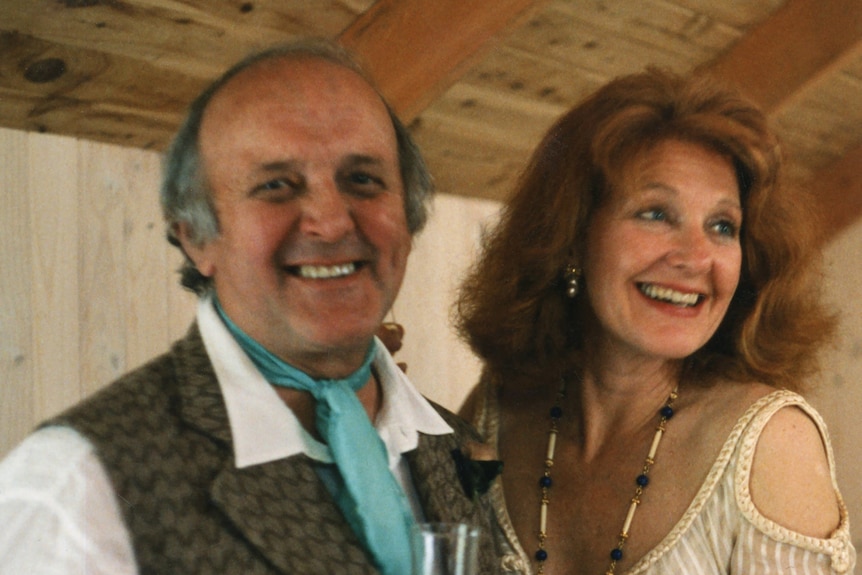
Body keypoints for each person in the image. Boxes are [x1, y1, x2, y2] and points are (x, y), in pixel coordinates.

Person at [0, 40, 499, 574]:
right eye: (276, 185)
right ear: (195, 236)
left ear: (409, 215)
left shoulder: (460, 450)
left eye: (363, 180)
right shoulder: (76, 487)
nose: (331, 222)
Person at [453, 68, 856, 574]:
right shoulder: (493, 412)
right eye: (655, 214)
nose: (695, 257)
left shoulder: (770, 447)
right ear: (573, 235)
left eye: (721, 225)